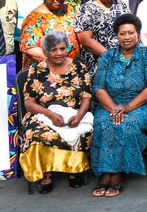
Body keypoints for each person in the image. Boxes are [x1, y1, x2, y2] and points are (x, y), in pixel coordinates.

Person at [90, 14, 147, 197]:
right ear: (117, 36)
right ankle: (105, 172)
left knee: (126, 124)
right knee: (103, 123)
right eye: (123, 33)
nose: (127, 37)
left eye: (131, 33)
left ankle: (115, 175)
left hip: (144, 104)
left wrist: (128, 107)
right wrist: (114, 108)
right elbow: (98, 86)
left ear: (138, 34)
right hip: (110, 103)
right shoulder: (107, 56)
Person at [19, 30, 93, 193]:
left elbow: (87, 96)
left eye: (62, 48)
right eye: (53, 50)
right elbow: (29, 102)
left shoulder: (79, 68)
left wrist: (79, 116)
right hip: (42, 113)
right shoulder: (37, 71)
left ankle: (73, 169)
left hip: (73, 112)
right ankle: (46, 174)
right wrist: (50, 115)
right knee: (38, 133)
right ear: (45, 52)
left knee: (82, 130)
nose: (59, 53)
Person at [75, 0, 130, 74]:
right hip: (99, 65)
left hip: (124, 62)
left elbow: (131, 30)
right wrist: (113, 57)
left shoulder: (121, 6)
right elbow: (85, 40)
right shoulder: (87, 9)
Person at [19, 0, 78, 68]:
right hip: (48, 71)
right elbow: (30, 49)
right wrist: (58, 63)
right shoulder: (34, 19)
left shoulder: (67, 10)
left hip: (71, 68)